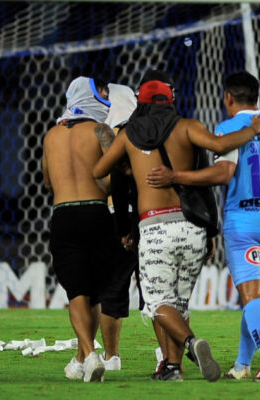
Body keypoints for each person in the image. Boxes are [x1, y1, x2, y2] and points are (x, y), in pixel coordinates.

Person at [93, 70, 260, 382]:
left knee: (156, 303)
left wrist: (121, 156)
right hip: (192, 226)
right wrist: (253, 130)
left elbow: (99, 170)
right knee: (178, 303)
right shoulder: (187, 126)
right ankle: (173, 368)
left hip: (154, 227)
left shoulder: (129, 134)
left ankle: (192, 343)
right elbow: (219, 147)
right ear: (171, 97)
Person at [147, 72, 260, 382]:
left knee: (252, 296)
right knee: (255, 296)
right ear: (257, 96)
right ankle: (243, 364)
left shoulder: (229, 128)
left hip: (244, 221)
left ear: (228, 98)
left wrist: (175, 177)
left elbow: (223, 173)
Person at [43, 76, 113, 382]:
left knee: (76, 292)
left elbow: (47, 181)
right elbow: (114, 177)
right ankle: (87, 355)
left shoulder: (50, 136)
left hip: (64, 215)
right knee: (94, 294)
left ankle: (87, 355)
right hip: (97, 213)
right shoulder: (100, 131)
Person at [97, 83, 139, 371]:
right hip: (155, 216)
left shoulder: (104, 133)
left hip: (118, 216)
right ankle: (168, 357)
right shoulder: (153, 132)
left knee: (112, 290)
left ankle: (111, 357)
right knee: (160, 293)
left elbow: (109, 182)